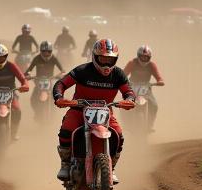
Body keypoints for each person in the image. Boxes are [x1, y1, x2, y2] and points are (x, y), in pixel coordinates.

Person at [53, 39, 135, 182]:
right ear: (95, 57)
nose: (106, 64)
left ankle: (111, 168)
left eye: (110, 60)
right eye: (103, 59)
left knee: (119, 136)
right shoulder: (82, 71)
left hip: (105, 113)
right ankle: (65, 164)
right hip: (78, 110)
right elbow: (61, 84)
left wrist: (129, 100)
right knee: (67, 129)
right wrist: (59, 97)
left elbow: (129, 92)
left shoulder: (118, 74)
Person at [123, 45, 164, 131]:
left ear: (150, 57)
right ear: (138, 56)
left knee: (154, 105)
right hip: (132, 87)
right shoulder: (132, 63)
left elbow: (159, 77)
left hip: (146, 89)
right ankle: (126, 124)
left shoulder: (152, 65)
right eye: (142, 57)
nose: (144, 59)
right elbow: (123, 74)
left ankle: (150, 125)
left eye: (146, 57)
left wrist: (159, 81)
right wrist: (122, 80)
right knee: (124, 105)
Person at [25, 41, 64, 118]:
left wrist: (61, 75)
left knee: (56, 96)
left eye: (48, 52)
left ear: (51, 51)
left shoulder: (54, 58)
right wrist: (28, 74)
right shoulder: (37, 58)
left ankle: (53, 114)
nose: (46, 54)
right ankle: (36, 112)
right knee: (33, 98)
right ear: (41, 51)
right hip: (38, 81)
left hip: (50, 80)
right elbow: (29, 70)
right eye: (44, 52)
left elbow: (62, 70)